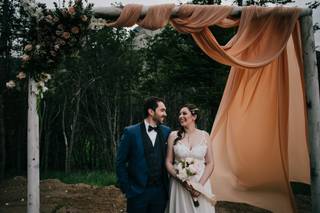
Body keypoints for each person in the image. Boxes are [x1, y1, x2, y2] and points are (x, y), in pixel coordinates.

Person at [116, 96, 171, 213]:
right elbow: (120, 162)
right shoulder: (130, 132)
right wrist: (127, 189)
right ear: (151, 111)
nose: (165, 114)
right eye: (162, 110)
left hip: (160, 194)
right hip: (137, 192)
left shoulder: (167, 132)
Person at [165, 104, 215, 213]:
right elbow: (168, 162)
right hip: (179, 185)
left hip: (201, 182)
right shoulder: (173, 136)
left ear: (194, 117)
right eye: (179, 114)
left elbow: (210, 163)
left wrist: (200, 186)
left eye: (184, 113)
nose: (180, 116)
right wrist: (180, 178)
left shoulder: (205, 135)